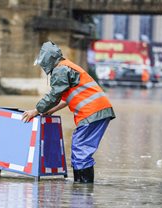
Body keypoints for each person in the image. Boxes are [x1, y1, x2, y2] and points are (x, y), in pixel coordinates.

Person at [22, 41, 116, 183]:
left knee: (80, 148)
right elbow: (66, 99)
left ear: (48, 59)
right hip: (99, 111)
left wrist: (36, 110)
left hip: (91, 112)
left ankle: (83, 189)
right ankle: (82, 188)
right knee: (81, 147)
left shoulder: (60, 69)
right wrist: (49, 111)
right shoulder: (68, 66)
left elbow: (54, 95)